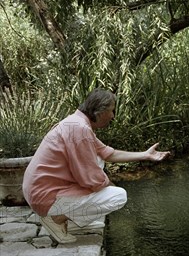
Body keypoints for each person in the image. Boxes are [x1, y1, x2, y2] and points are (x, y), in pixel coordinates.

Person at [22, 88, 170, 244]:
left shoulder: (76, 123)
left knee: (99, 160)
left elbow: (107, 153)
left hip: (40, 191)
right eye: (111, 111)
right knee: (118, 196)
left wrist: (145, 155)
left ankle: (71, 221)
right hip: (45, 197)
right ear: (99, 111)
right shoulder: (79, 130)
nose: (113, 116)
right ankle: (56, 218)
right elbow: (89, 178)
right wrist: (108, 186)